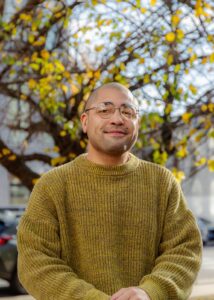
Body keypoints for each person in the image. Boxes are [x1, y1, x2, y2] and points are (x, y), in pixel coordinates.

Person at [17, 82, 202, 300]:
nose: (117, 119)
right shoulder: (52, 185)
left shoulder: (162, 182)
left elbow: (184, 250)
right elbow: (35, 261)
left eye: (127, 112)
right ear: (85, 122)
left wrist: (150, 292)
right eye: (104, 110)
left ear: (137, 123)